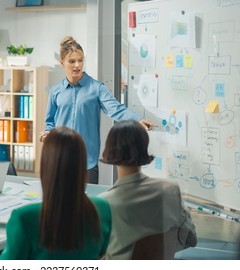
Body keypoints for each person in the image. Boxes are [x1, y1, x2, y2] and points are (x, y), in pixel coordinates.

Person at [40, 36, 156, 184]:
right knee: (61, 204)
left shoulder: (96, 88)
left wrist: (138, 120)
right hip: (60, 159)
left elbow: (116, 109)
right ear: (62, 63)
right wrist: (47, 133)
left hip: (87, 162)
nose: (77, 65)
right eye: (72, 61)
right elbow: (50, 123)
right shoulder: (55, 91)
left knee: (89, 205)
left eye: (81, 60)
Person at [0, 126, 111, 259]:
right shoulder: (103, 208)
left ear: (46, 164)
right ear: (82, 163)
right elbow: (102, 253)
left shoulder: (24, 218)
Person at [99, 120, 197, 259]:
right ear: (144, 147)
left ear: (110, 149)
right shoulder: (171, 190)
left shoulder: (103, 203)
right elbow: (190, 238)